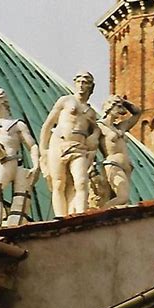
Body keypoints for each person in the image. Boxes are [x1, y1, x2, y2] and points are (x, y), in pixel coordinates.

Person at [0, 87, 40, 228]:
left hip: (8, 159)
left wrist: (36, 166)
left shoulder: (17, 125)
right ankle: (4, 219)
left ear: (2, 99)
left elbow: (33, 146)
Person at [40, 71, 99, 217]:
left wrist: (95, 135)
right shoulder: (65, 101)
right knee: (58, 183)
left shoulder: (91, 112)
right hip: (59, 144)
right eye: (79, 81)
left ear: (91, 87)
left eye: (85, 82)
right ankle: (60, 216)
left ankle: (79, 214)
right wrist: (43, 148)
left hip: (79, 148)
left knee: (81, 181)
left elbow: (96, 130)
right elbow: (48, 124)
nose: (81, 85)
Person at [96, 95, 141, 208]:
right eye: (118, 106)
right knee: (123, 197)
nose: (121, 110)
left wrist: (124, 102)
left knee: (121, 201)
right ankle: (100, 212)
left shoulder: (120, 126)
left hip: (126, 167)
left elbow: (137, 113)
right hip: (113, 164)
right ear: (110, 107)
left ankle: (108, 217)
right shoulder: (99, 126)